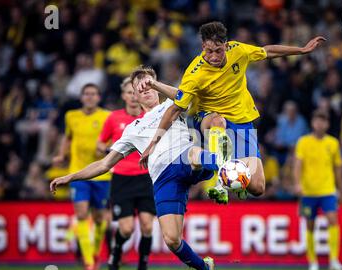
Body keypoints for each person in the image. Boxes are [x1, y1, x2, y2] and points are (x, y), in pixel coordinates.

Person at [50, 66, 223, 270]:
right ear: (133, 94)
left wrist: (154, 82)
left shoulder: (172, 105)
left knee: (193, 154)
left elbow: (186, 97)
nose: (145, 89)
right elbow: (104, 164)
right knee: (172, 240)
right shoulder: (132, 129)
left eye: (149, 84)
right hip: (164, 179)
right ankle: (205, 269)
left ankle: (228, 169)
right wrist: (71, 176)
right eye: (139, 87)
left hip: (185, 160)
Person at [137, 21, 326, 204]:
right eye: (208, 51)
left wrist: (301, 50)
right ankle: (221, 180)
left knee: (258, 187)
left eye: (218, 51)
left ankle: (232, 179)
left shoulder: (238, 50)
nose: (213, 56)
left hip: (242, 120)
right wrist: (153, 143)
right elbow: (175, 108)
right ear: (203, 46)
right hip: (208, 117)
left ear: (226, 46)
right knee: (218, 121)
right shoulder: (195, 74)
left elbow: (267, 51)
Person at [98, 77, 155, 270]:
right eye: (129, 93)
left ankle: (142, 268)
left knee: (147, 225)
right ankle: (116, 251)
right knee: (127, 229)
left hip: (146, 177)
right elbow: (100, 142)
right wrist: (105, 149)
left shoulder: (150, 117)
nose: (132, 97)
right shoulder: (113, 118)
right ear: (123, 95)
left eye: (135, 93)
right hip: (122, 178)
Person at [52, 83, 111, 270]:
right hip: (78, 172)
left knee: (101, 218)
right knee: (81, 214)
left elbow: (113, 139)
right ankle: (88, 261)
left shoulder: (106, 116)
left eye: (93, 94)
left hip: (102, 173)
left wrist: (105, 148)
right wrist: (62, 154)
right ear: (81, 97)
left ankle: (94, 252)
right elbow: (67, 137)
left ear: (99, 97)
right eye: (86, 94)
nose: (90, 97)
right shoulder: (71, 116)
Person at [294, 111, 342, 270]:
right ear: (312, 123)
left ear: (327, 124)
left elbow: (338, 169)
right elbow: (297, 166)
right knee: (310, 225)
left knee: (333, 220)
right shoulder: (303, 142)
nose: (319, 124)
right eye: (317, 120)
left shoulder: (333, 143)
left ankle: (333, 260)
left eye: (323, 121)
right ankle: (313, 262)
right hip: (308, 192)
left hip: (327, 190)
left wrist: (341, 189)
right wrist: (297, 184)